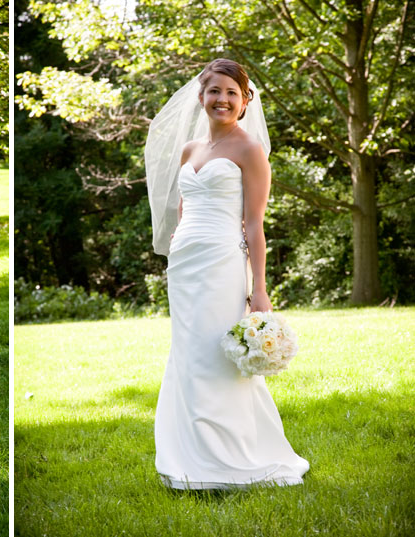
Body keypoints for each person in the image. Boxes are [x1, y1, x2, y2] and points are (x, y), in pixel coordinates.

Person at [145, 58, 309, 489]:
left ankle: (231, 457)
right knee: (189, 355)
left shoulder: (250, 150)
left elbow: (254, 224)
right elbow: (183, 208)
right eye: (214, 91)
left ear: (244, 101)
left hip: (222, 262)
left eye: (231, 93)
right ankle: (189, 457)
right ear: (201, 97)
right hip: (184, 266)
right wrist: (179, 245)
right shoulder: (190, 150)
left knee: (218, 356)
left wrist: (259, 289)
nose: (222, 99)